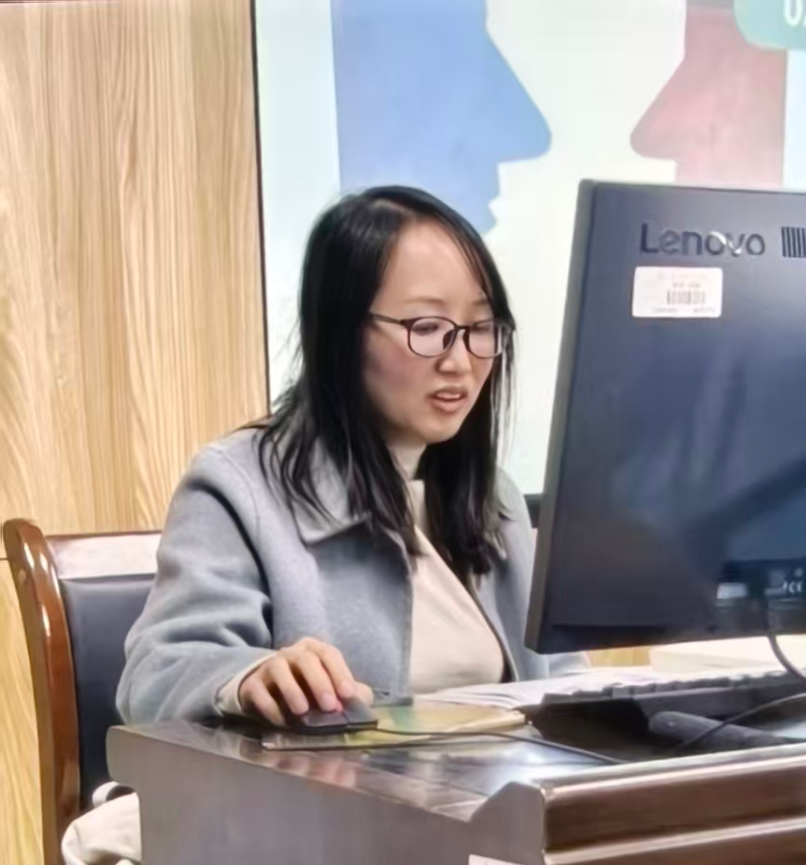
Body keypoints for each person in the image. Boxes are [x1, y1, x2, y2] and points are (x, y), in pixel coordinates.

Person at [116, 185, 583, 727]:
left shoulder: (496, 498)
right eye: (427, 328)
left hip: (498, 779)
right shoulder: (237, 487)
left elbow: (561, 678)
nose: (460, 361)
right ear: (342, 332)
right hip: (335, 783)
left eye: (480, 329)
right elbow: (156, 672)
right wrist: (249, 676)